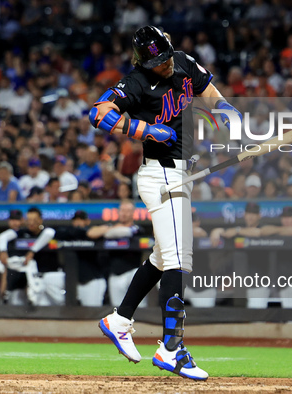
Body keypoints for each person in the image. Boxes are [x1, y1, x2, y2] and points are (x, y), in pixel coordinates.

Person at [91, 26, 241, 380]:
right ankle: (171, 348)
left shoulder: (183, 61)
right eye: (156, 61)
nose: (164, 65)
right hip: (160, 175)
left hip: (181, 175)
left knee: (163, 257)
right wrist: (143, 130)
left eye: (165, 57)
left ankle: (120, 318)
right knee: (178, 260)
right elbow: (98, 113)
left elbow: (210, 94)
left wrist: (224, 110)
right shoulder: (138, 81)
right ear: (143, 60)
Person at [0, 207, 60, 306]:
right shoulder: (23, 232)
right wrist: (2, 251)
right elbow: (2, 237)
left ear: (40, 220)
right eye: (29, 220)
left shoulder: (47, 231)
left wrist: (32, 251)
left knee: (49, 306)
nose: (31, 223)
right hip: (27, 281)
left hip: (47, 277)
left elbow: (49, 233)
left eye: (34, 220)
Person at [88, 200, 145, 307]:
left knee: (139, 307)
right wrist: (109, 229)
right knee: (117, 309)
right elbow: (91, 233)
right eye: (122, 210)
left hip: (132, 272)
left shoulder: (137, 228)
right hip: (115, 274)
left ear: (133, 213)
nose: (124, 213)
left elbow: (124, 232)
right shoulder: (111, 226)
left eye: (128, 211)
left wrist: (106, 231)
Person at [55, 210, 107, 307]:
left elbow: (101, 231)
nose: (78, 222)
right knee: (49, 281)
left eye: (81, 220)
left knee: (92, 313)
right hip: (73, 282)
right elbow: (57, 233)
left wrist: (86, 232)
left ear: (87, 221)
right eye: (76, 220)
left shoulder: (93, 234)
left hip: (92, 281)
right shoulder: (68, 233)